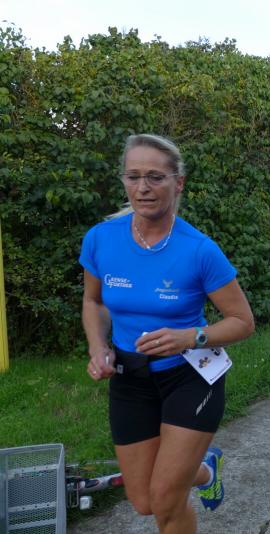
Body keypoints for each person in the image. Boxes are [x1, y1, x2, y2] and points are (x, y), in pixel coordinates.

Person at [80, 134, 255, 533]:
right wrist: (98, 347)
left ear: (178, 183)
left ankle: (189, 474)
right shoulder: (101, 239)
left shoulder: (199, 250)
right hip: (130, 377)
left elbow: (242, 321)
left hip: (189, 377)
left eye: (155, 177)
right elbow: (94, 301)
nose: (143, 187)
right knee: (143, 501)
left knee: (165, 500)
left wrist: (190, 337)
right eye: (133, 176)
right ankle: (204, 470)